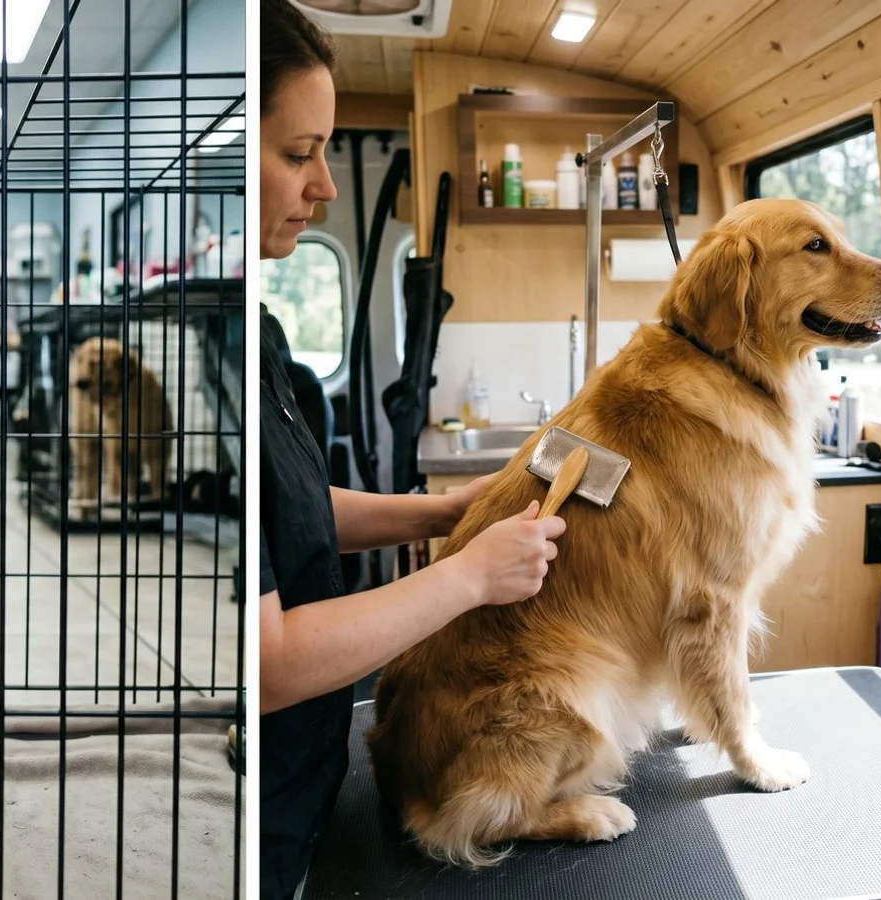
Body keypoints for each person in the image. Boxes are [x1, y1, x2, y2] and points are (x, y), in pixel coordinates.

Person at [257, 2, 567, 897]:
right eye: (296, 154)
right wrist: (469, 575)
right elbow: (269, 659)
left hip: (321, 771)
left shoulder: (266, 338)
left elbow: (302, 514)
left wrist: (451, 513)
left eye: (324, 153)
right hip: (272, 820)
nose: (324, 186)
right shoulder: (229, 355)